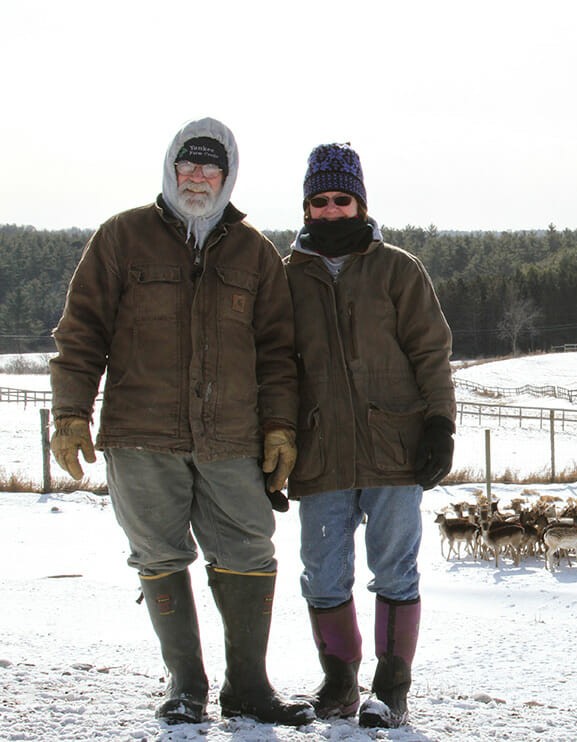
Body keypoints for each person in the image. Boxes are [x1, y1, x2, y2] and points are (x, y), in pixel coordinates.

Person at [48, 118, 314, 727]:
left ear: (227, 175)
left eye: (209, 167)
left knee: (249, 549)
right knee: (158, 553)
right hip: (141, 434)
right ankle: (186, 684)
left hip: (231, 436)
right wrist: (70, 412)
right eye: (187, 165)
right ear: (171, 169)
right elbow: (81, 332)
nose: (197, 178)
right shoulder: (122, 237)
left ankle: (248, 687)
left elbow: (278, 353)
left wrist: (280, 427)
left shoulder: (255, 252)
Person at [283, 143, 456, 728]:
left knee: (396, 570)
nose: (331, 210)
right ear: (307, 207)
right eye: (320, 201)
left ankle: (391, 689)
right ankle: (339, 684)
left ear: (360, 202)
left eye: (342, 198)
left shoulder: (398, 269)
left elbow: (431, 352)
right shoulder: (287, 277)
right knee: (322, 573)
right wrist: (273, 440)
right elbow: (274, 365)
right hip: (319, 452)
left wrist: (440, 423)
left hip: (395, 450)